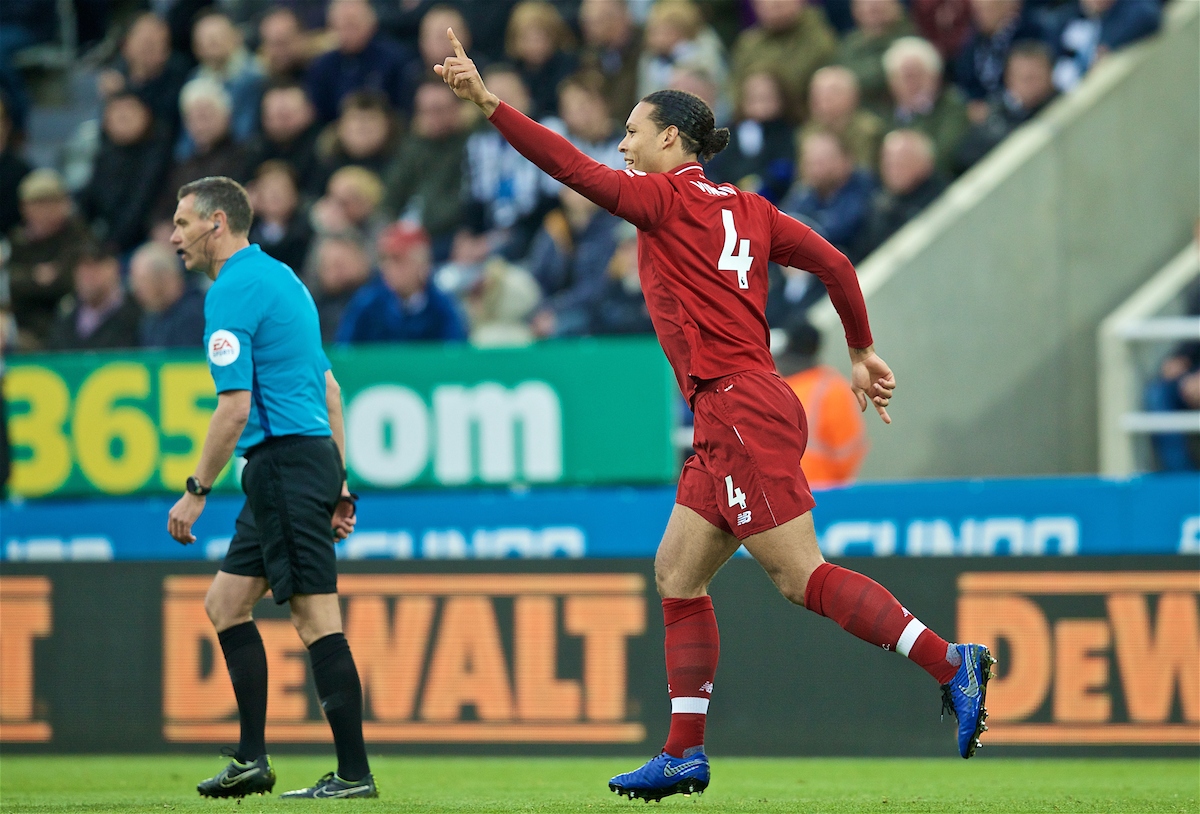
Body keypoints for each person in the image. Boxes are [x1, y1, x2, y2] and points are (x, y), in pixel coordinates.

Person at [436, 28, 994, 802]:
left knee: (801, 578)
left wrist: (491, 104)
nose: (623, 143)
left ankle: (949, 661)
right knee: (677, 571)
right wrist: (861, 349)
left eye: (633, 130)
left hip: (738, 408)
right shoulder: (752, 208)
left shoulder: (662, 199)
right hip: (739, 405)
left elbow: (569, 167)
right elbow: (835, 263)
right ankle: (683, 752)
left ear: (671, 137)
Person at [166, 176, 376, 799]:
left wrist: (196, 488)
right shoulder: (284, 279)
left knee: (316, 620)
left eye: (182, 223)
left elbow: (234, 408)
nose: (174, 236)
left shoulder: (231, 292)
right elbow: (331, 391)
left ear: (216, 224)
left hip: (282, 464)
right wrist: (340, 484)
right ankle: (252, 760)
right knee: (225, 605)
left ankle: (353, 775)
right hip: (298, 465)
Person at [335, 222, 468, 344]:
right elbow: (345, 352)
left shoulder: (442, 307)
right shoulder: (367, 303)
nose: (389, 268)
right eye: (385, 259)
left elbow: (454, 355)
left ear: (422, 264)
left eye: (398, 260)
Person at [381, 80, 470, 257]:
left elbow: (466, 201)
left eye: (438, 110)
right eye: (424, 111)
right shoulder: (411, 148)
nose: (431, 117)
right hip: (407, 237)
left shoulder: (471, 146)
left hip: (449, 237)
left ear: (457, 109)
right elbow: (390, 197)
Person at [777, 320, 869, 488]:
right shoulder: (832, 389)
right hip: (820, 492)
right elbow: (848, 450)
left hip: (773, 495)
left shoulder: (764, 381)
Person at [77, 92, 173, 252]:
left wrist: (112, 245)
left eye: (129, 109)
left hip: (146, 239)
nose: (123, 116)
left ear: (146, 115)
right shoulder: (105, 153)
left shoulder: (160, 152)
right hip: (109, 238)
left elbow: (140, 204)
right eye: (115, 110)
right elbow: (90, 198)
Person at [6, 169, 90, 351]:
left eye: (52, 202)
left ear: (65, 203)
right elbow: (8, 282)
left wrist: (27, 279)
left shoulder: (77, 235)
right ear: (24, 207)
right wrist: (35, 277)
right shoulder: (17, 240)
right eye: (38, 203)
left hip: (68, 326)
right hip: (24, 327)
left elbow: (68, 281)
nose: (45, 210)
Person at [305, 0, 416, 123]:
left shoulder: (394, 59)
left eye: (353, 24)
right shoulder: (323, 65)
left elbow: (403, 108)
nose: (348, 32)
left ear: (372, 22)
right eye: (341, 26)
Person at [954, 40, 1057, 173]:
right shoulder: (995, 112)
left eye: (1034, 76)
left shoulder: (1066, 105)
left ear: (1050, 74)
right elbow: (964, 157)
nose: (1029, 85)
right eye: (1022, 77)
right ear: (1009, 80)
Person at [730, 0, 836, 120]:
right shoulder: (748, 43)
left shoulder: (819, 39)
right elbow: (734, 88)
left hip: (801, 122)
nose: (773, 4)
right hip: (752, 123)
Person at [851, 128, 946, 261]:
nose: (893, 168)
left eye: (901, 161)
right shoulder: (878, 205)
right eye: (888, 162)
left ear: (925, 162)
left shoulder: (942, 199)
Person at [883, 36, 969, 175]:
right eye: (905, 77)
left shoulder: (952, 106)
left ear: (934, 75)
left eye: (917, 74)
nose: (912, 84)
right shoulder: (889, 120)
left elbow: (945, 156)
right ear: (892, 83)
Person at [781, 129, 874, 256]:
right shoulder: (804, 193)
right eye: (810, 162)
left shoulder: (864, 187)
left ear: (846, 159)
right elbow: (781, 230)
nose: (816, 169)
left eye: (823, 160)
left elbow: (839, 229)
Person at [45, 243, 142, 351]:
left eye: (93, 265)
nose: (86, 274)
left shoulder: (137, 312)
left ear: (114, 268)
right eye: (81, 266)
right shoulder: (66, 311)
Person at [129, 241, 206, 348]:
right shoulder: (151, 320)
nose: (136, 290)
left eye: (142, 281)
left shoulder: (195, 316)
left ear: (163, 278)